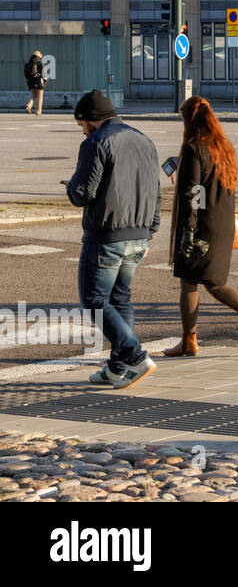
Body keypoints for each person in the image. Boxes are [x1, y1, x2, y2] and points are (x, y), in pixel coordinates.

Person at [64, 89, 160, 390]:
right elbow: (155, 191)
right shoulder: (144, 140)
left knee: (93, 300)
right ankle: (117, 368)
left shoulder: (95, 142)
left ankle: (135, 356)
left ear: (92, 120)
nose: (82, 129)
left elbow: (83, 193)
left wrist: (70, 187)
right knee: (120, 298)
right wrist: (151, 230)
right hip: (139, 233)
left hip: (106, 234)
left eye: (82, 123)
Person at [162, 97, 238, 358]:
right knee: (215, 283)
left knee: (190, 283)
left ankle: (194, 339)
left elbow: (193, 193)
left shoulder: (193, 148)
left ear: (189, 120)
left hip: (201, 226)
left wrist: (188, 231)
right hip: (224, 224)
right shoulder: (225, 148)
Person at [24, 51, 46, 116]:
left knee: (34, 96)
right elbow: (44, 75)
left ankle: (29, 106)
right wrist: (44, 81)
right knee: (40, 96)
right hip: (39, 82)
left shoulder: (27, 64)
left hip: (30, 82)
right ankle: (38, 111)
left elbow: (26, 75)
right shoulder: (40, 63)